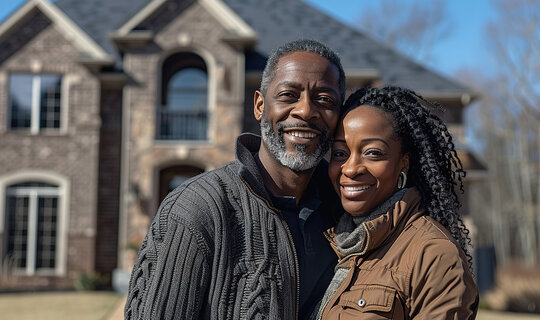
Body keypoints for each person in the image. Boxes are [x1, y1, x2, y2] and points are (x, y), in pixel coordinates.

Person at [124, 39, 346, 319]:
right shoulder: (196, 208)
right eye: (289, 95)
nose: (305, 111)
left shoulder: (345, 214)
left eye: (325, 100)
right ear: (260, 105)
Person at [314, 86, 479, 319]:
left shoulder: (434, 255)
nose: (350, 168)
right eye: (340, 153)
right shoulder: (333, 242)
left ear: (404, 163)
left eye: (372, 153)